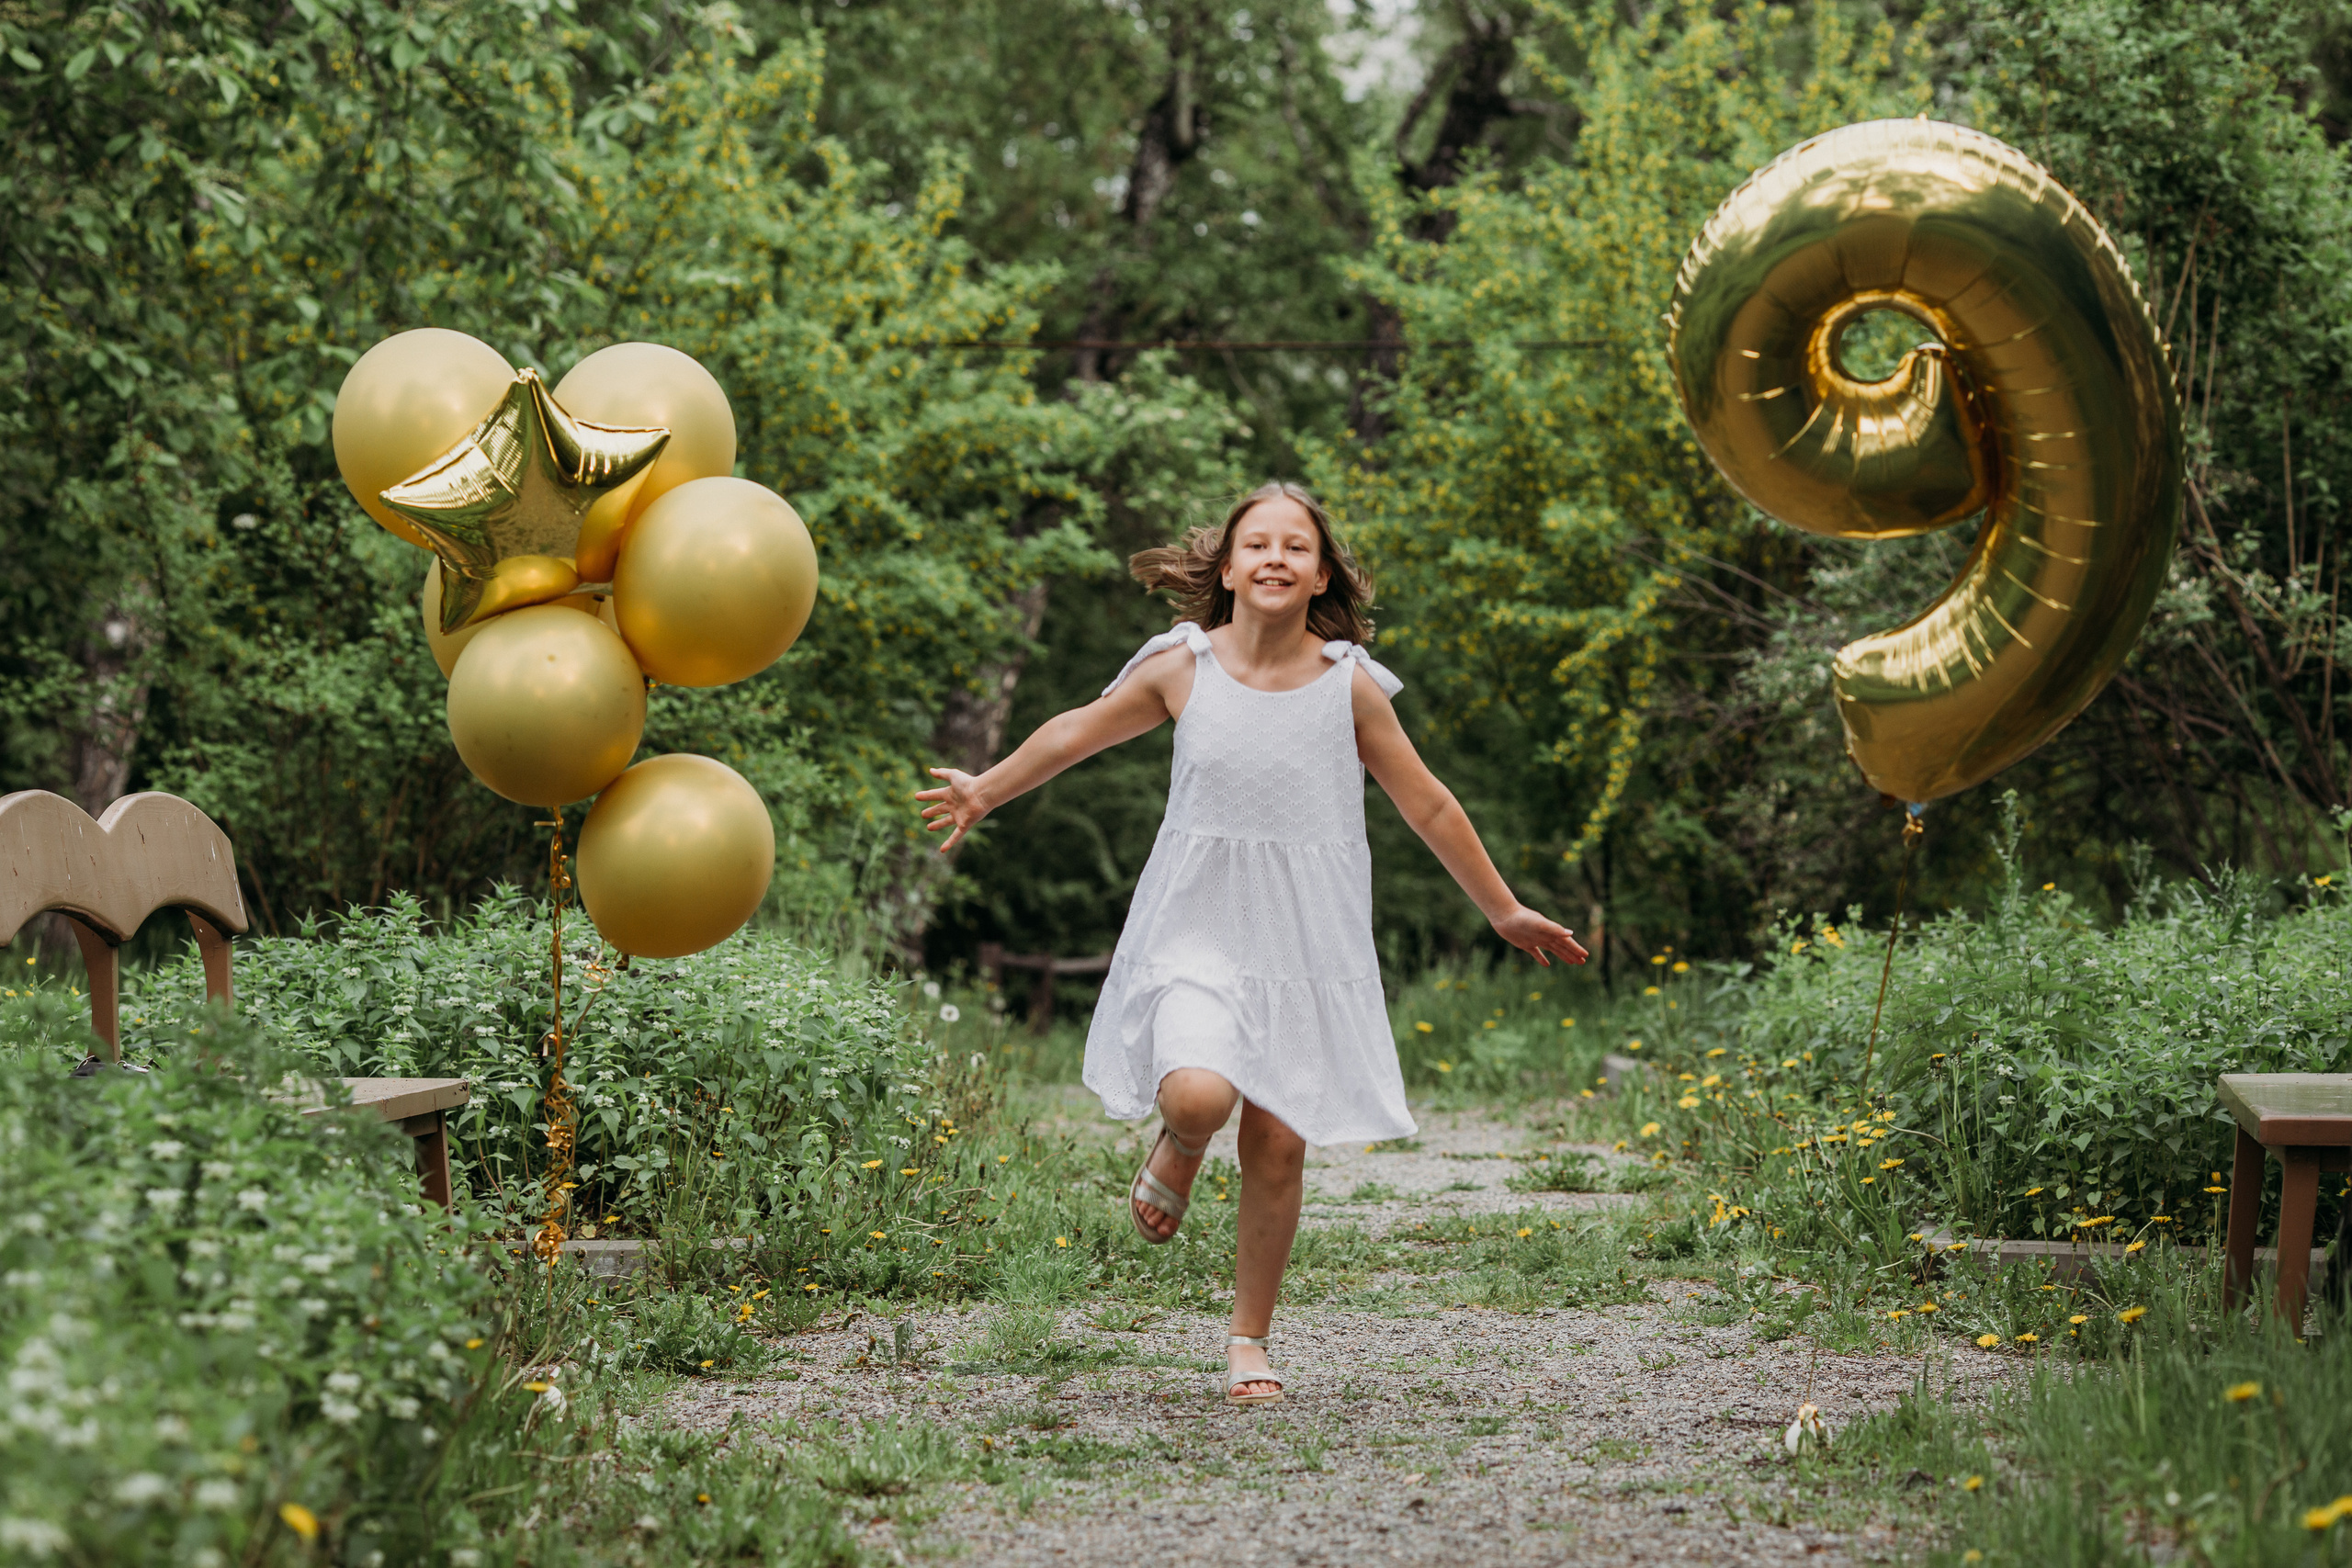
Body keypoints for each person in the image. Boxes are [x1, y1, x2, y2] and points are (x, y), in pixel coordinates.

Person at [915, 481, 1587, 1404]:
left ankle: (1247, 1340)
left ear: (1320, 577)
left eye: (1296, 547)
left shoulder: (1346, 684)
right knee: (1198, 1092)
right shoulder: (1181, 665)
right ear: (1226, 568)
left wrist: (1501, 908)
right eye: (1257, 544)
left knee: (1276, 1146)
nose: (1275, 557)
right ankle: (1182, 1141)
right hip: (1195, 924)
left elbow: (1426, 801)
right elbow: (1076, 729)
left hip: (1308, 940)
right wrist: (986, 789)